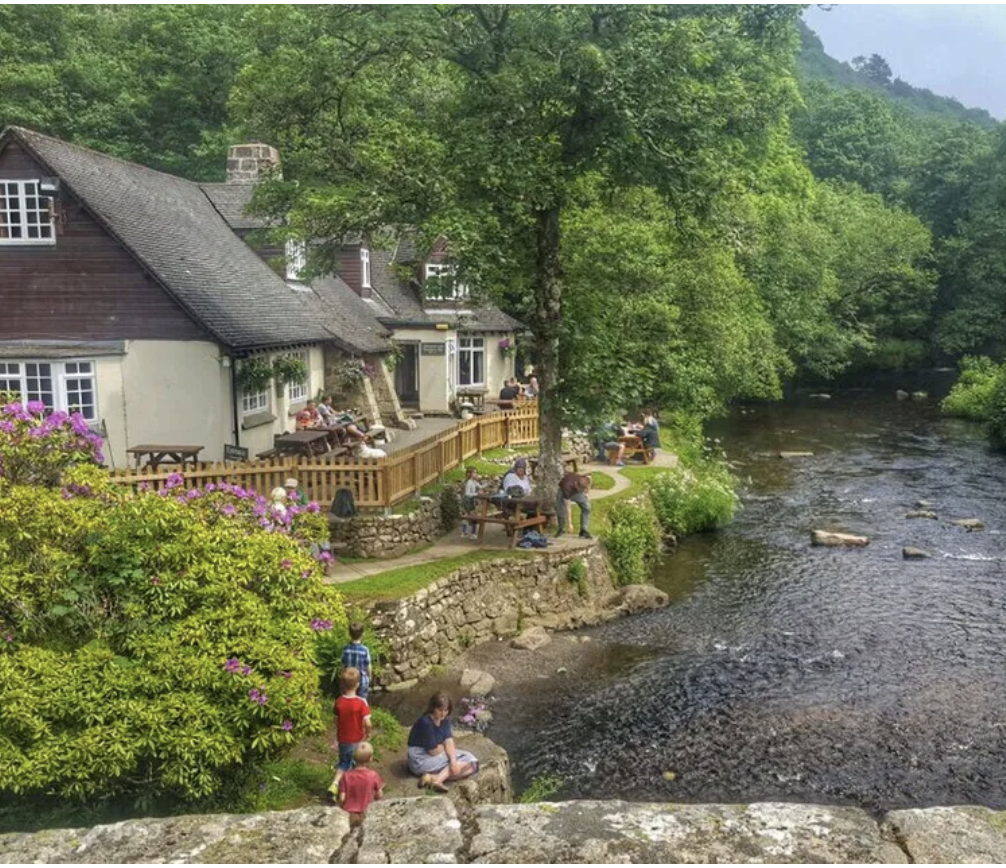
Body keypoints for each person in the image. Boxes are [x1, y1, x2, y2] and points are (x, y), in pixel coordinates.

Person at [408, 693, 479, 793]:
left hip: (435, 755)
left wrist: (453, 761)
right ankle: (437, 780)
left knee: (473, 766)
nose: (443, 713)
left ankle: (432, 777)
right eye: (440, 710)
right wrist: (447, 752)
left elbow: (448, 740)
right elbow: (433, 751)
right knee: (468, 760)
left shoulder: (445, 720)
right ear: (433, 708)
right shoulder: (425, 723)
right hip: (419, 759)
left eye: (446, 710)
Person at [328, 667, 372, 796]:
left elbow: (336, 720)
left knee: (343, 763)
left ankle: (334, 784)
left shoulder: (339, 701)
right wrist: (368, 733)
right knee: (358, 764)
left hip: (343, 739)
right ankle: (353, 789)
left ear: (342, 684)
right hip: (357, 739)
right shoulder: (361, 702)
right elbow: (368, 723)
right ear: (358, 684)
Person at [337, 742, 384, 823]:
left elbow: (342, 798)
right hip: (366, 812)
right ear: (370, 758)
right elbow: (379, 795)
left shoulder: (346, 775)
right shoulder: (373, 775)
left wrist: (340, 808)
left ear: (353, 757)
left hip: (349, 814)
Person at [556, 471, 593, 539]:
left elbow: (590, 480)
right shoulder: (567, 487)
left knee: (587, 507)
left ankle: (583, 531)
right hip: (562, 491)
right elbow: (568, 508)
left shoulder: (586, 478)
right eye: (580, 489)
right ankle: (561, 529)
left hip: (577, 491)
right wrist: (570, 524)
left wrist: (587, 493)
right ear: (576, 484)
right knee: (561, 510)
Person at [341, 623, 372, 699]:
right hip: (362, 680)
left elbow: (342, 665)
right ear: (363, 634)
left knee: (349, 699)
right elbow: (368, 666)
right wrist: (370, 676)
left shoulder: (345, 649)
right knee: (362, 700)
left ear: (349, 634)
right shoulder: (365, 650)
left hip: (349, 681)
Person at [461, 467, 482, 540]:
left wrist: (488, 484)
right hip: (468, 500)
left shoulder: (474, 481)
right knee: (472, 516)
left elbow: (480, 487)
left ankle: (465, 532)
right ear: (470, 474)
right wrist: (476, 493)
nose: (476, 474)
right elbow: (467, 493)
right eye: (474, 472)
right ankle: (472, 533)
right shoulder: (469, 482)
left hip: (471, 500)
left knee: (468, 516)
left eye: (476, 472)